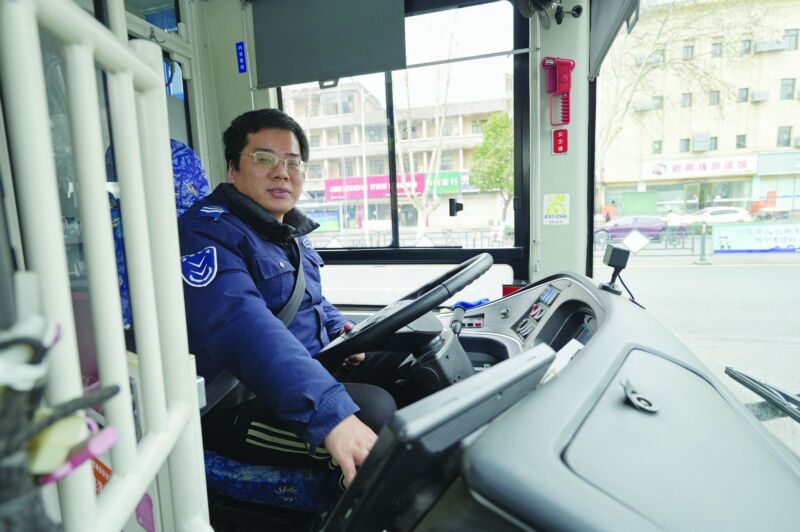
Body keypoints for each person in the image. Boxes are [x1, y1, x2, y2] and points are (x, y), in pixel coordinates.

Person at [178, 109, 399, 488]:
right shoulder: (204, 233)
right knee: (375, 412)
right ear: (232, 169)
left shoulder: (285, 230)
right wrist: (332, 414)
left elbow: (313, 300)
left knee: (405, 361)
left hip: (306, 372)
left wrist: (338, 326)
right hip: (240, 399)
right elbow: (241, 326)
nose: (282, 172)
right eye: (264, 158)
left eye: (293, 163)